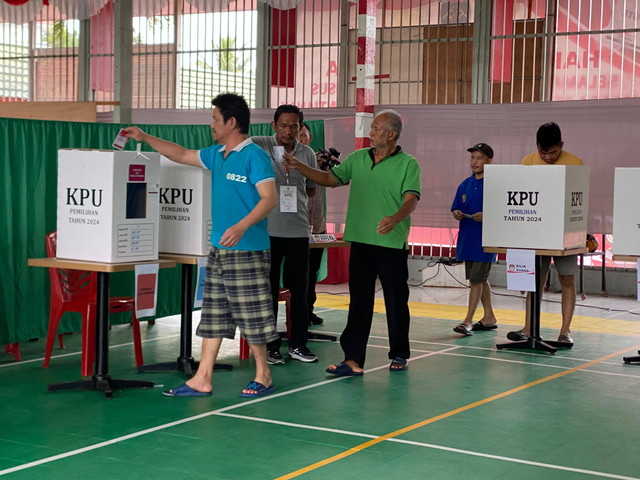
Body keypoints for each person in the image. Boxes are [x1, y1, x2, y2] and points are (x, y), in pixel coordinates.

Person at [124, 93, 279, 398]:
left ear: (231, 122)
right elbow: (180, 154)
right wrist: (144, 137)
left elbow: (269, 198)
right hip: (219, 249)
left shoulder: (254, 156)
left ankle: (264, 374)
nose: (211, 124)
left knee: (253, 315)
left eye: (214, 118)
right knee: (213, 314)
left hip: (248, 248)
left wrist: (241, 226)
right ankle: (202, 378)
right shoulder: (217, 154)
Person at [282, 109, 421, 375]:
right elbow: (330, 179)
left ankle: (400, 353)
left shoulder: (408, 164)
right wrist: (300, 166)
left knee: (396, 300)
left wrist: (395, 218)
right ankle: (353, 359)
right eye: (372, 128)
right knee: (359, 301)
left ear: (392, 134)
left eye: (377, 129)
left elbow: (411, 199)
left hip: (391, 243)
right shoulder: (358, 158)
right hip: (360, 241)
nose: (372, 132)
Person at [252, 105, 319, 365]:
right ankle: (270, 348)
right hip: (267, 232)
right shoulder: (259, 146)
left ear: (301, 128)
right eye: (283, 125)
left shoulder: (307, 154)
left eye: (294, 126)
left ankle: (298, 345)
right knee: (267, 291)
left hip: (298, 231)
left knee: (299, 291)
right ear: (273, 125)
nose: (288, 131)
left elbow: (311, 189)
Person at [507, 122, 584, 344]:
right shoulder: (527, 162)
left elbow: (579, 201)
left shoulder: (575, 164)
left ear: (561, 145)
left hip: (566, 234)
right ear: (536, 146)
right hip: (535, 232)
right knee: (535, 280)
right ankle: (529, 326)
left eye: (552, 152)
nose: (548, 157)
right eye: (543, 152)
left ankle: (565, 331)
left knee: (566, 279)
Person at [451, 143, 499, 336]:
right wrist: (456, 213)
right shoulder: (465, 184)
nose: (474, 162)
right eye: (473, 158)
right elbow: (455, 207)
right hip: (468, 239)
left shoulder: (495, 186)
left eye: (479, 158)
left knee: (476, 281)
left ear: (489, 161)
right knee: (478, 279)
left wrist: (487, 215)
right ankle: (489, 317)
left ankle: (468, 320)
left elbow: (503, 212)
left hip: (486, 240)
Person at [297, 122, 326, 326]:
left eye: (304, 136)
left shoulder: (319, 162)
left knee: (312, 272)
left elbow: (339, 180)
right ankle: (298, 312)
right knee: (300, 273)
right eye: (298, 136)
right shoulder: (289, 163)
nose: (301, 139)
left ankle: (310, 309)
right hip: (298, 229)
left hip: (318, 228)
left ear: (310, 138)